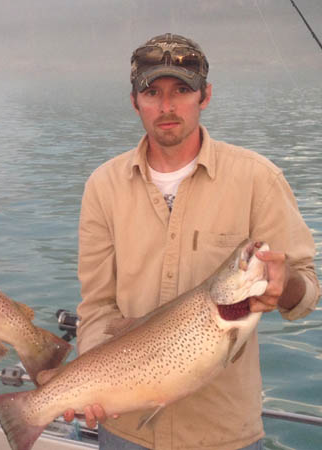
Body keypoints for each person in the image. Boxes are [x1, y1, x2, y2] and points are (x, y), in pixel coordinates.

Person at [67, 33, 320, 450]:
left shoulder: (259, 179)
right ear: (134, 101)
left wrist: (285, 284)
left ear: (205, 96)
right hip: (125, 431)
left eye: (182, 90)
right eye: (153, 92)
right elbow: (96, 307)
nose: (167, 107)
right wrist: (93, 377)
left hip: (224, 436)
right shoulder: (102, 186)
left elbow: (307, 290)